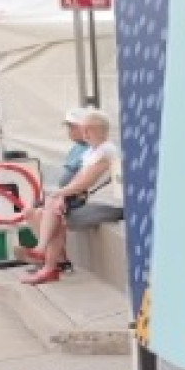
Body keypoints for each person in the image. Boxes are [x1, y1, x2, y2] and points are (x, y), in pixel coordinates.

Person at [19, 108, 121, 285]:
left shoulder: (106, 150)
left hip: (109, 204)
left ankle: (46, 259)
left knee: (54, 215)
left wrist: (60, 194)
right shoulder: (91, 151)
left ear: (96, 130)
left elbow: (84, 183)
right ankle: (49, 264)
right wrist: (60, 197)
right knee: (53, 209)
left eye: (86, 129)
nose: (84, 132)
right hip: (89, 201)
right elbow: (76, 180)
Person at [15, 107, 89, 266]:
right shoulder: (77, 148)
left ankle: (47, 256)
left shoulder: (91, 150)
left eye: (72, 127)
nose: (69, 131)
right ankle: (54, 258)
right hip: (66, 195)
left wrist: (59, 194)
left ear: (85, 128)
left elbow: (80, 182)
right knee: (30, 211)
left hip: (76, 198)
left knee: (46, 213)